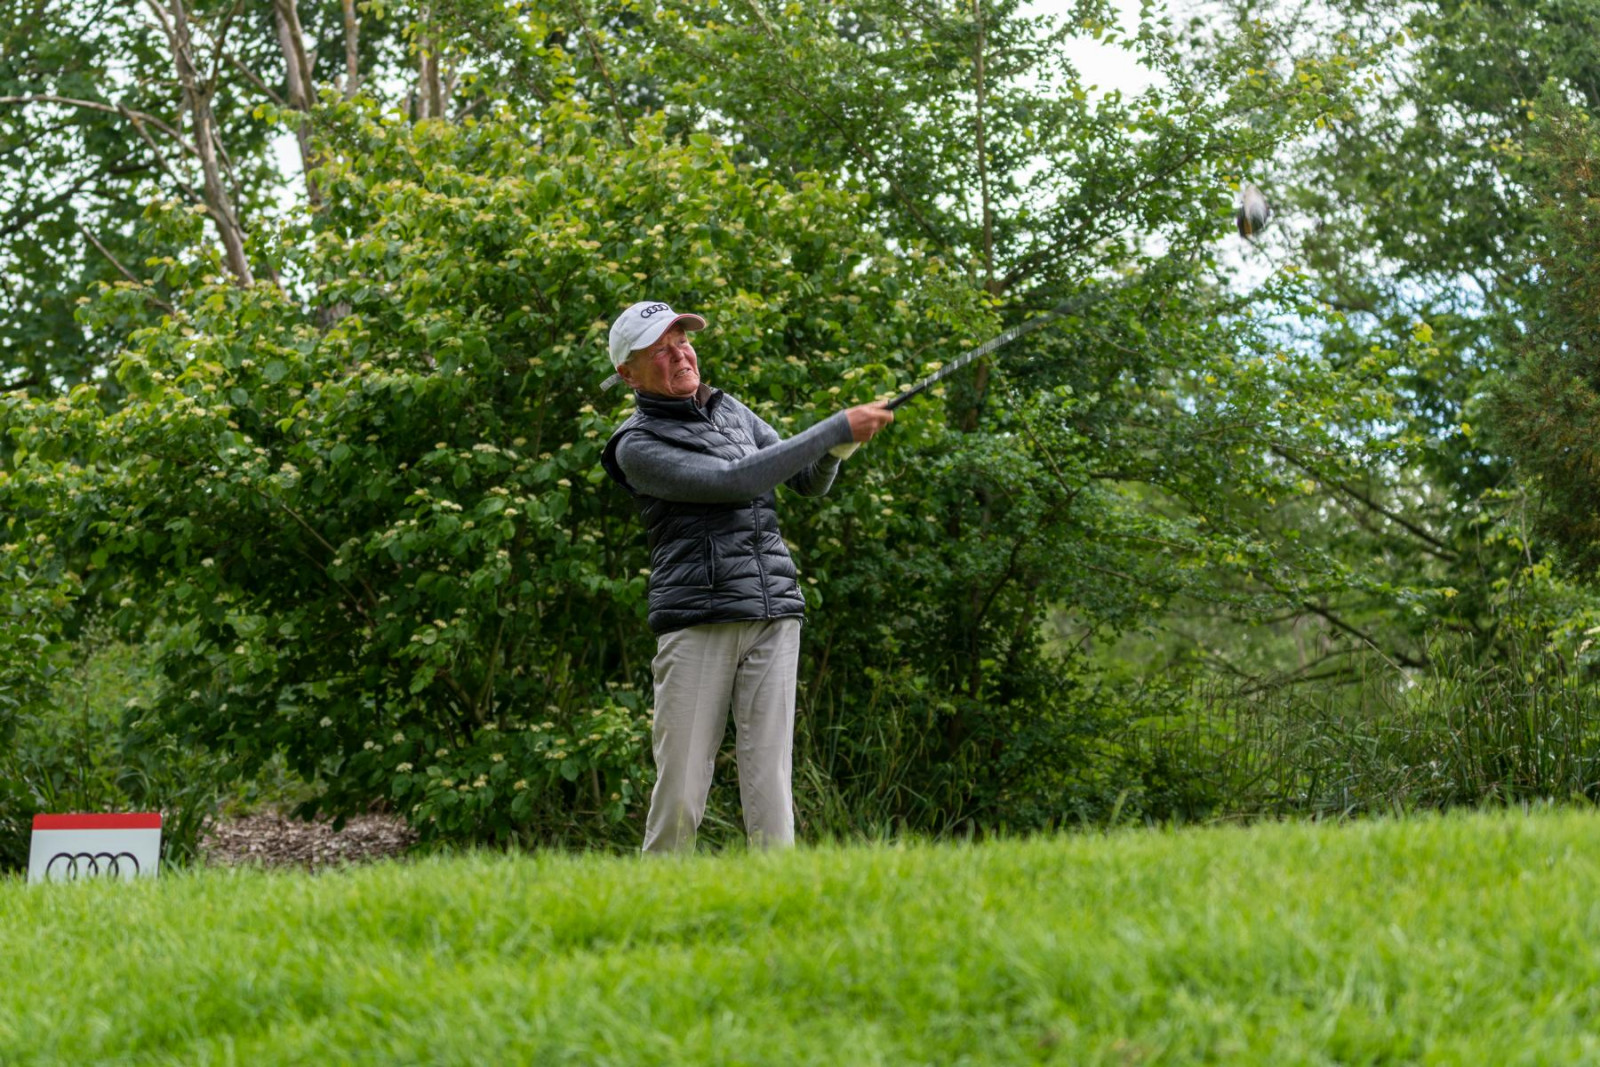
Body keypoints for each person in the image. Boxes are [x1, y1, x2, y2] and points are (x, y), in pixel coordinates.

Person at [599, 299, 893, 853]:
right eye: (659, 351)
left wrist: (837, 447)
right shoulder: (635, 446)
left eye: (682, 341)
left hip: (775, 610)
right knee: (683, 788)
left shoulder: (731, 410)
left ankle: (776, 908)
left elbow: (805, 478)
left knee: (770, 784)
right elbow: (733, 481)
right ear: (627, 374)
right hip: (699, 620)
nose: (679, 354)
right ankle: (656, 906)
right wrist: (834, 425)